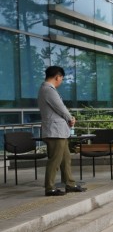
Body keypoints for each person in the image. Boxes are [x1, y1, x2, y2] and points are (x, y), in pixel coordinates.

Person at [38, 66, 86, 196]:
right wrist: (70, 118)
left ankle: (70, 184)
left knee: (66, 158)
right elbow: (60, 107)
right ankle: (50, 188)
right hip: (55, 131)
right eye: (62, 79)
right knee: (55, 160)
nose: (61, 81)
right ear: (57, 77)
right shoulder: (48, 90)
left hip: (58, 131)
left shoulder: (46, 89)